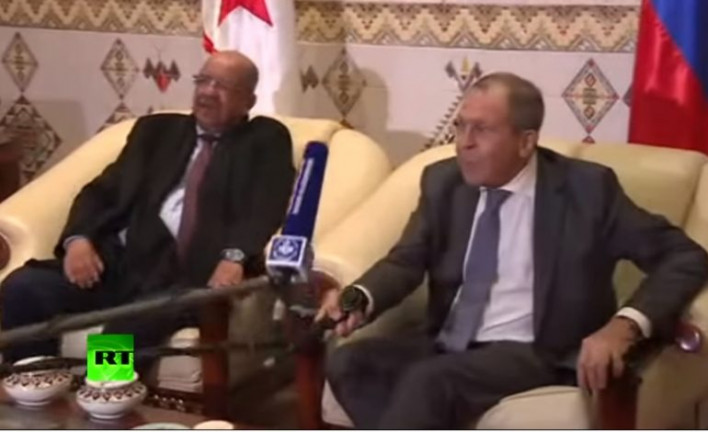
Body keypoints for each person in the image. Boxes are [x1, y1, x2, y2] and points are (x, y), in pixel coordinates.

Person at [318, 72, 708, 429]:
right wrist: (358, 298)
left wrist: (623, 326)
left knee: (430, 381)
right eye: (460, 126)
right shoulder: (444, 182)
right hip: (447, 340)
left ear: (525, 141)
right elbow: (405, 261)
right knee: (348, 362)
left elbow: (684, 257)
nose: (464, 142)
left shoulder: (587, 191)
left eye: (482, 129)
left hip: (537, 349)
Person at [0, 51, 296, 376]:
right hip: (119, 265)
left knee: (127, 326)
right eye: (203, 81)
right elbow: (102, 191)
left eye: (223, 86)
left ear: (248, 101)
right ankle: (34, 385)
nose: (208, 92)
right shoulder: (157, 131)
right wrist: (79, 240)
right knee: (24, 287)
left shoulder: (264, 140)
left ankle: (103, 391)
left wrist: (235, 256)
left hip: (187, 277)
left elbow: (265, 207)